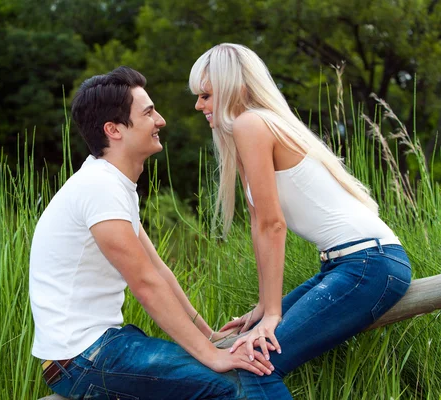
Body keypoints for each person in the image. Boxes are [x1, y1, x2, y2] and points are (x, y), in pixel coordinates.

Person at [29, 66, 275, 400]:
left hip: (102, 346)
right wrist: (212, 355)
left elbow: (159, 269)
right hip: (83, 357)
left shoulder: (112, 183)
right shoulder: (99, 188)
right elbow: (146, 283)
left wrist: (210, 336)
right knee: (236, 387)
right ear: (114, 130)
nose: (160, 120)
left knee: (235, 370)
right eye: (148, 113)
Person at [189, 43, 412, 399]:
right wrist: (263, 306)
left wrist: (273, 316)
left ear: (235, 89)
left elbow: (273, 225)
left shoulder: (252, 123)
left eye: (205, 95)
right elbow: (259, 221)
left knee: (260, 366)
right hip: (350, 264)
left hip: (368, 262)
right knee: (243, 357)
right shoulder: (250, 130)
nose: (199, 105)